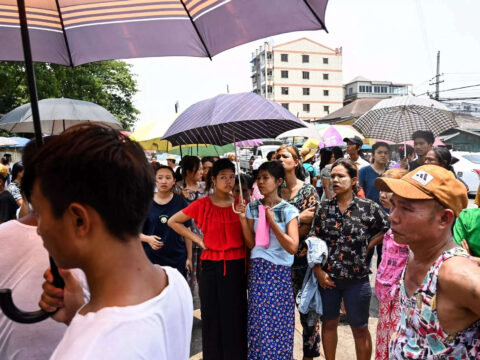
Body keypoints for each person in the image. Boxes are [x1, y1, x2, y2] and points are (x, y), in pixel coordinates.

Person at [32, 124, 193, 359]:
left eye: (40, 213)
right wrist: (77, 315)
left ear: (79, 220)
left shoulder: (88, 352)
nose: (38, 229)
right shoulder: (174, 283)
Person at [375, 165, 480, 359]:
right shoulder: (415, 251)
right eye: (395, 205)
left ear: (444, 218)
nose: (392, 216)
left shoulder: (456, 275)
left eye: (406, 208)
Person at [310, 159, 390, 360]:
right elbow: (313, 239)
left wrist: (370, 244)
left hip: (357, 279)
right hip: (328, 280)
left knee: (360, 328)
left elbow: (388, 228)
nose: (335, 180)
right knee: (329, 323)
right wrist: (318, 271)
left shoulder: (368, 207)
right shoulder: (324, 208)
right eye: (333, 176)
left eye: (341, 176)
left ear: (354, 180)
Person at [169, 159, 247, 360]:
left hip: (236, 265)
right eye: (223, 177)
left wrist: (243, 216)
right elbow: (173, 221)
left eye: (231, 177)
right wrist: (198, 239)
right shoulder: (202, 203)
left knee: (235, 316)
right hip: (211, 265)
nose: (228, 181)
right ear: (213, 179)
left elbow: (249, 239)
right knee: (211, 316)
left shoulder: (239, 204)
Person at [237, 161, 299, 360]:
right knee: (260, 322)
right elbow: (250, 243)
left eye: (266, 178)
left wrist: (272, 221)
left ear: (279, 181)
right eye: (259, 178)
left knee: (280, 322)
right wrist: (241, 218)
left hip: (280, 273)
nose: (260, 182)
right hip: (259, 272)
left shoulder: (288, 210)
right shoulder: (252, 207)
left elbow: (292, 247)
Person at [275, 144, 321, 360]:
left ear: (296, 162)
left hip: (302, 262)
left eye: (285, 156)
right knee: (280, 317)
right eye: (277, 156)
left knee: (308, 316)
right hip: (277, 261)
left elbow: (309, 227)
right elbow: (267, 228)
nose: (280, 159)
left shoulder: (308, 191)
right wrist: (297, 218)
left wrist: (285, 224)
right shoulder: (271, 191)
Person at [374, 168, 409, 360]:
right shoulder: (390, 218)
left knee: (397, 342)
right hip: (386, 291)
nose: (383, 194)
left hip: (401, 294)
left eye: (389, 189)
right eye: (382, 189)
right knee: (384, 340)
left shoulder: (409, 222)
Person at [141, 165, 192, 277]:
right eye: (160, 177)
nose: (164, 181)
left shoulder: (181, 202)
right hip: (151, 258)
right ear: (154, 180)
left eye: (168, 178)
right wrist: (147, 239)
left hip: (177, 257)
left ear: (174, 181)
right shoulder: (145, 202)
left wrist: (189, 258)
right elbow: (133, 232)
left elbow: (187, 232)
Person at [175, 155, 206, 290]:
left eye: (202, 169)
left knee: (204, 277)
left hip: (203, 239)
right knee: (186, 279)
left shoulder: (205, 188)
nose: (202, 172)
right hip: (183, 239)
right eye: (198, 169)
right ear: (188, 172)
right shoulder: (176, 189)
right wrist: (179, 198)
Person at [359, 142, 390, 267]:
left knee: (384, 256)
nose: (383, 155)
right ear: (373, 155)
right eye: (380, 152)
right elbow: (360, 192)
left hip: (388, 218)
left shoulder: (391, 173)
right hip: (369, 218)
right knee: (366, 252)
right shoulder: (364, 171)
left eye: (386, 153)